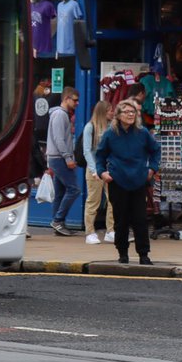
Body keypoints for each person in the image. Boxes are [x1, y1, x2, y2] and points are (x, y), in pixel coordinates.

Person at [94, 101, 161, 265]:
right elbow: (100, 156)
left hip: (138, 181)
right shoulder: (110, 134)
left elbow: (156, 150)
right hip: (118, 182)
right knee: (121, 220)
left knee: (140, 219)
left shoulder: (142, 132)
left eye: (133, 112)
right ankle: (122, 253)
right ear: (118, 115)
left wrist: (152, 168)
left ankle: (144, 255)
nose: (131, 114)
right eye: (126, 112)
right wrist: (102, 172)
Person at [45, 86, 81, 236]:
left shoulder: (61, 114)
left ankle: (58, 223)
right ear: (66, 99)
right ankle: (58, 220)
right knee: (74, 189)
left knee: (60, 192)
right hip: (59, 158)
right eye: (75, 100)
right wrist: (68, 158)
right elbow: (59, 139)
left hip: (56, 157)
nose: (77, 103)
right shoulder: (60, 115)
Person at [81, 100, 116, 245]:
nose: (113, 112)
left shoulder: (111, 127)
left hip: (109, 169)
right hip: (95, 170)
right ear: (103, 112)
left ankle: (111, 231)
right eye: (110, 110)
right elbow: (87, 151)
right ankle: (90, 232)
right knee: (93, 201)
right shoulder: (90, 127)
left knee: (113, 200)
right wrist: (94, 170)